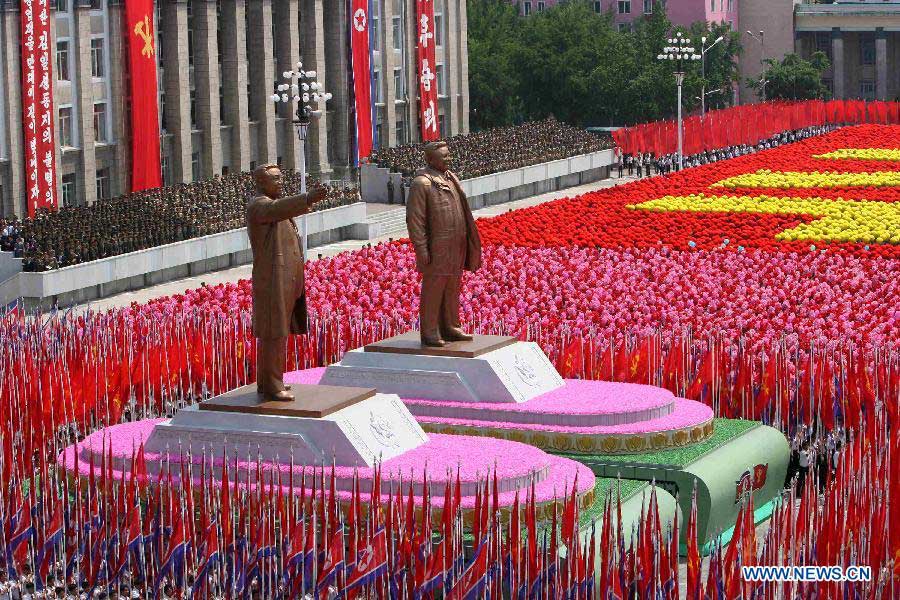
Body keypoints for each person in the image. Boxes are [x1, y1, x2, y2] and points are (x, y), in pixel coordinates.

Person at [246, 164, 326, 401]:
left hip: (284, 280)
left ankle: (270, 381)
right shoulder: (259, 206)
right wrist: (307, 198)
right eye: (275, 179)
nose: (280, 183)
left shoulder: (275, 207)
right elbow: (278, 208)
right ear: (262, 183)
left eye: (281, 178)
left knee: (278, 333)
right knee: (273, 333)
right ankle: (272, 385)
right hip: (272, 281)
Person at [406, 141, 482, 347]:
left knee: (452, 287)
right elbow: (416, 220)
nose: (449, 159)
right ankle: (430, 331)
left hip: (456, 244)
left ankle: (451, 326)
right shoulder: (422, 183)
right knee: (434, 288)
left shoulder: (450, 178)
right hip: (437, 246)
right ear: (431, 159)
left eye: (449, 155)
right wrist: (421, 249)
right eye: (445, 156)